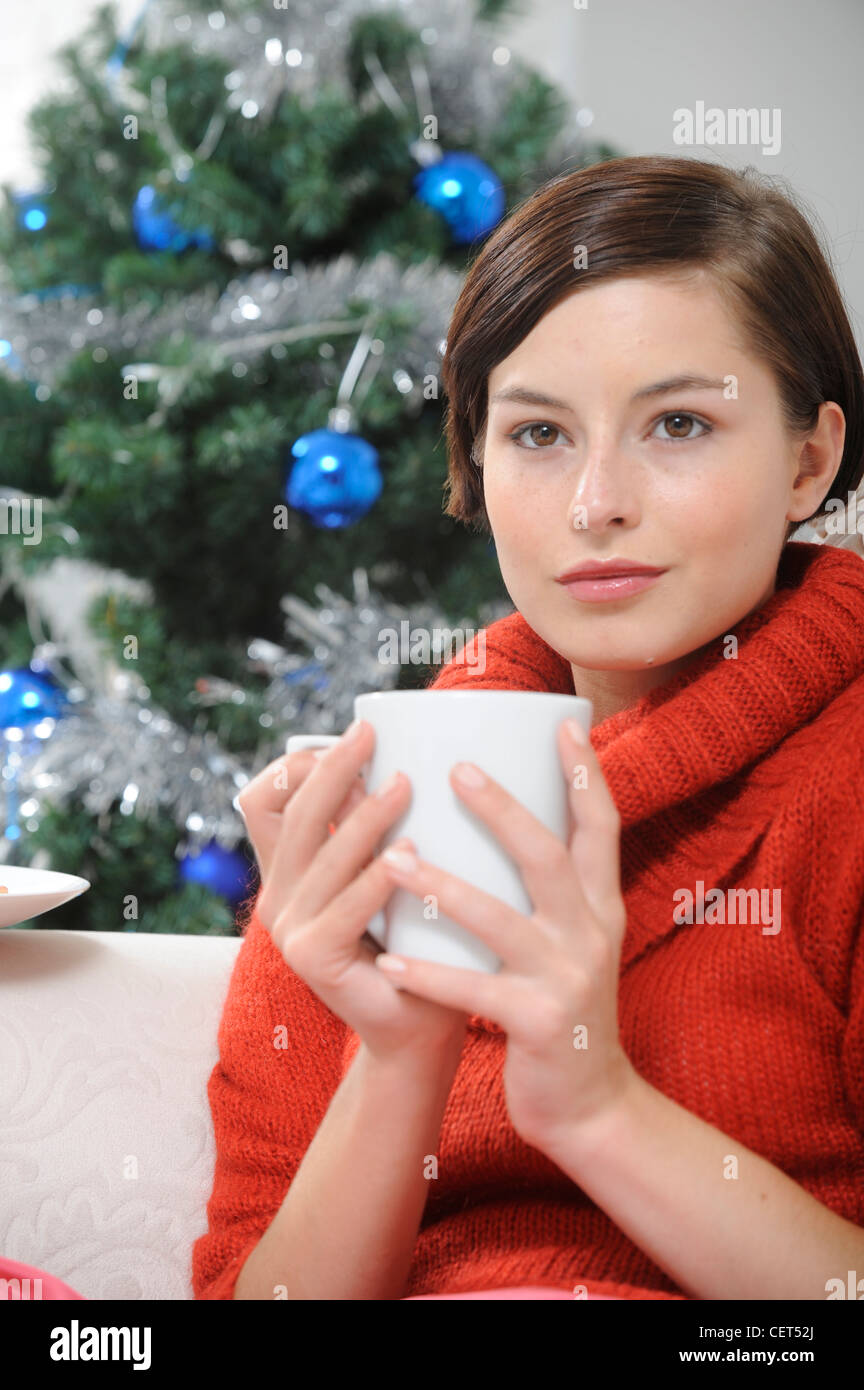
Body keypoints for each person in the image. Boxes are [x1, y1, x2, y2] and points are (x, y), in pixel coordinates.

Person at [192, 154, 864, 1301]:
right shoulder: (382, 799)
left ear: (809, 459)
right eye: (540, 435)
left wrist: (598, 1110)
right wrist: (402, 1058)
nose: (597, 500)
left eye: (682, 423)